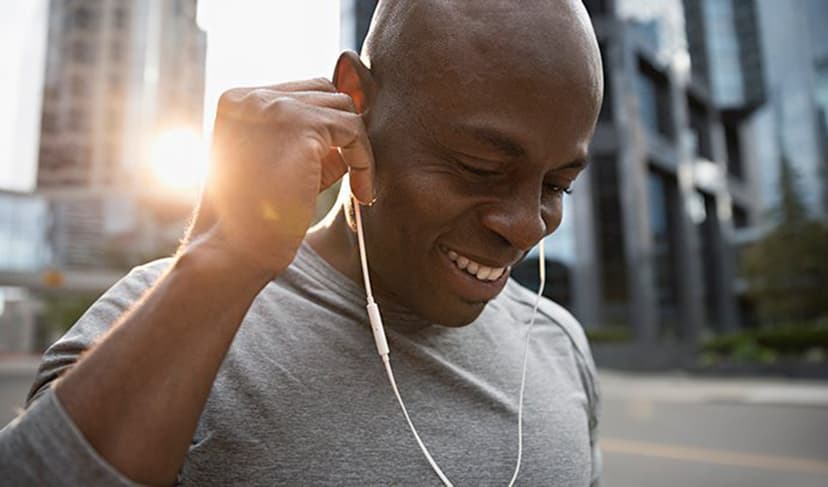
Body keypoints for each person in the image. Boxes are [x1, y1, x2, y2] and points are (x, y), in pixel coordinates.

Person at [0, 0, 604, 484]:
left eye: (558, 185)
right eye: (478, 168)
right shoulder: (173, 313)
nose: (527, 226)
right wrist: (224, 257)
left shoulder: (558, 344)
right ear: (357, 101)